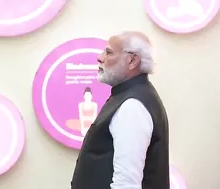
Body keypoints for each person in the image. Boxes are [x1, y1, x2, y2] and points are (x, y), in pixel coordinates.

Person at [70, 31, 170, 189]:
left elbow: (127, 184)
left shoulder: (133, 105)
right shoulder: (131, 96)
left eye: (108, 52)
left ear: (132, 60)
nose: (100, 57)